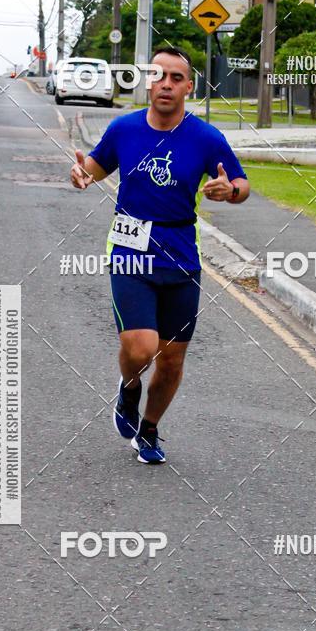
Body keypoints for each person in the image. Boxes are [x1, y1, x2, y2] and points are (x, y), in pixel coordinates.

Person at [70, 45, 250, 464]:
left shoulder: (206, 137)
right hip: (130, 252)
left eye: (175, 77)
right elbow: (93, 168)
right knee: (141, 347)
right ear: (147, 81)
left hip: (182, 257)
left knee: (171, 359)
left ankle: (149, 429)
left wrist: (231, 191)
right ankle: (129, 388)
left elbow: (240, 184)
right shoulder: (124, 129)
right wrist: (80, 175)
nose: (165, 84)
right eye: (158, 75)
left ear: (189, 86)